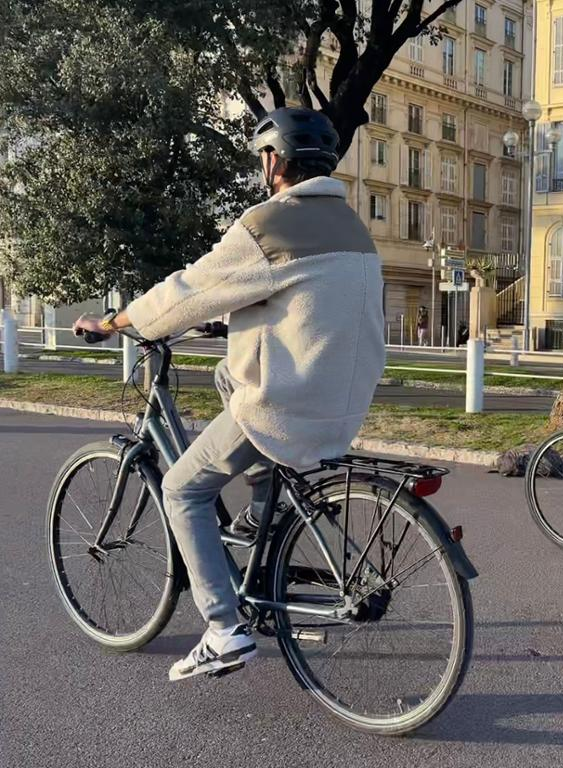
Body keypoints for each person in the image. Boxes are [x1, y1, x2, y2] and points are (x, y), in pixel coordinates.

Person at [73, 107, 386, 680]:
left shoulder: (270, 224)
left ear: (274, 160)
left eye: (263, 157)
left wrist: (116, 322)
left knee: (181, 489)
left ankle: (222, 631)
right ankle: (263, 508)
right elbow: (305, 301)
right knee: (225, 376)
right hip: (343, 400)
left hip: (286, 404)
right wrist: (232, 321)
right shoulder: (354, 228)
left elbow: (189, 289)